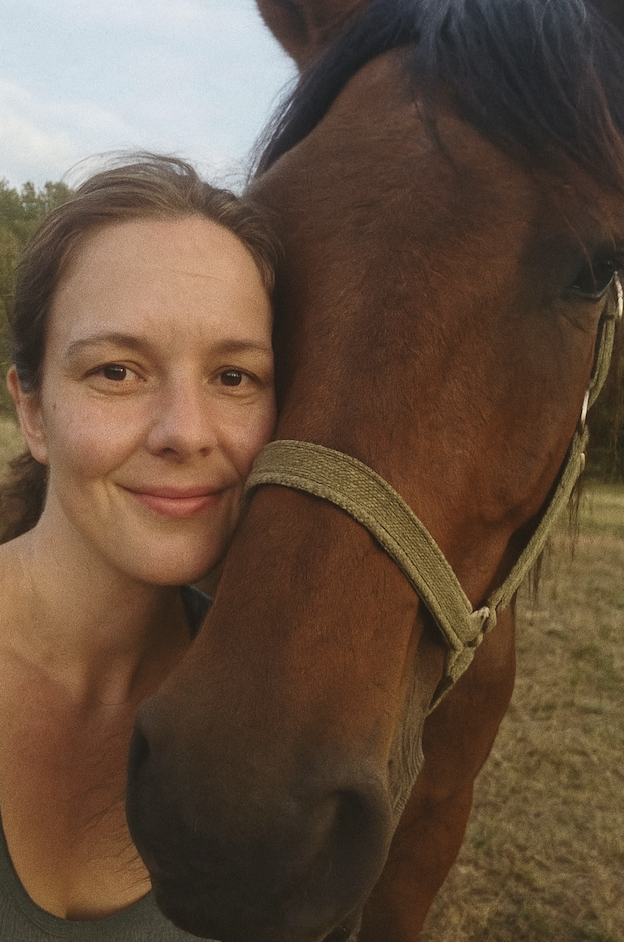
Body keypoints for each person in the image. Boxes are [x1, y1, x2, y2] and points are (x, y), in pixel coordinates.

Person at [0, 155, 279, 939]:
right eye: (117, 371)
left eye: (234, 377)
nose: (185, 433)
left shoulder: (281, 720)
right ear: (34, 411)